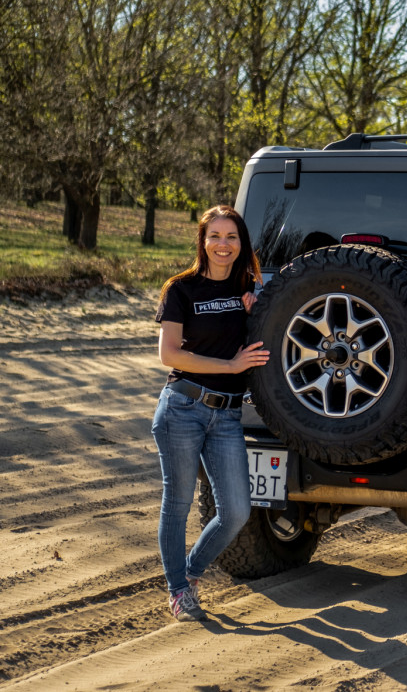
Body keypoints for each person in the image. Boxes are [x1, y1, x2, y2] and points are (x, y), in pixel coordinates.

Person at [152, 205, 269, 621]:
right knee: (178, 503)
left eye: (232, 236)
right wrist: (229, 367)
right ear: (202, 241)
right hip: (182, 407)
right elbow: (170, 354)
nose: (224, 244)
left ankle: (189, 571)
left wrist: (258, 318)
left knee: (236, 511)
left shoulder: (247, 288)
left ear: (242, 243)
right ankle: (179, 591)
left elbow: (260, 348)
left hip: (228, 416)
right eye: (215, 236)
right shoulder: (180, 289)